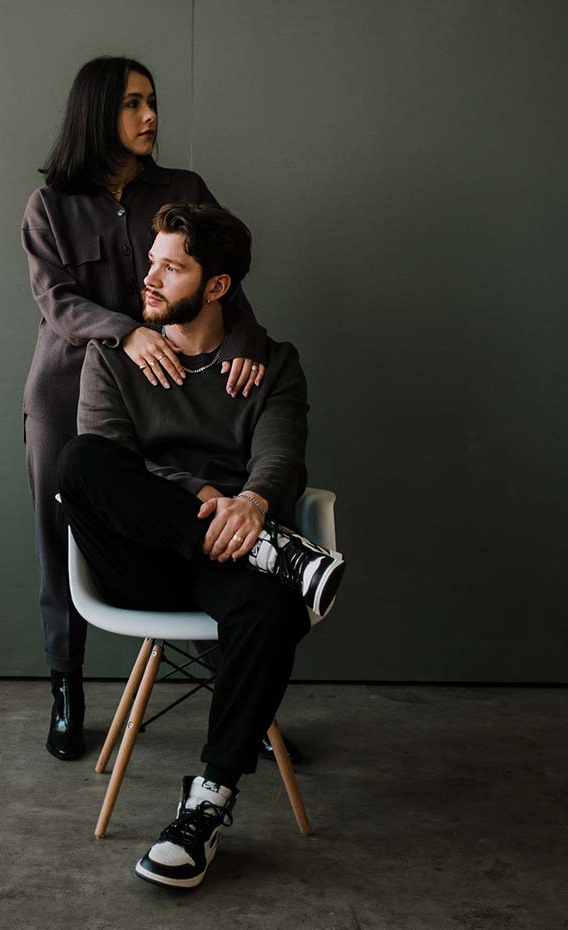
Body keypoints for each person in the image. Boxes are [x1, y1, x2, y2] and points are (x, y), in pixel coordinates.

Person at [58, 202, 346, 889]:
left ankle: (207, 806)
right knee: (81, 462)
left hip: (227, 555)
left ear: (217, 286)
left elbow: (280, 458)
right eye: (151, 261)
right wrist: (207, 498)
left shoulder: (270, 363)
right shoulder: (113, 358)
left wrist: (251, 503)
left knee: (272, 609)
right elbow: (115, 462)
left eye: (172, 267)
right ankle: (274, 551)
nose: (149, 278)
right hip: (141, 558)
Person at [21, 56, 269, 761]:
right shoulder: (49, 206)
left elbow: (225, 276)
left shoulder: (184, 189)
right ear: (98, 111)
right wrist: (127, 331)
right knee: (60, 532)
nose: (150, 116)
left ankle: (238, 689)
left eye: (152, 101)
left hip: (172, 388)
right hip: (68, 386)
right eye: (133, 103)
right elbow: (57, 301)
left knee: (195, 508)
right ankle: (66, 688)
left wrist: (244, 343)